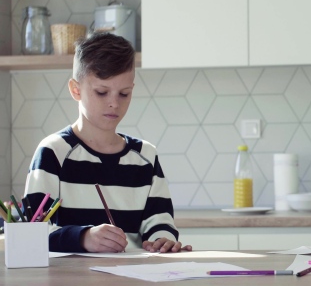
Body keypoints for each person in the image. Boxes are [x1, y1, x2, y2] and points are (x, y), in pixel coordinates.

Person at [23, 32, 191, 253]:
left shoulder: (145, 156)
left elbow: (160, 222)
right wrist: (83, 237)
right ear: (76, 90)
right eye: (102, 92)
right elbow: (29, 233)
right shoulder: (53, 152)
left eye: (124, 93)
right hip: (68, 284)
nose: (114, 103)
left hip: (134, 282)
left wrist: (163, 240)